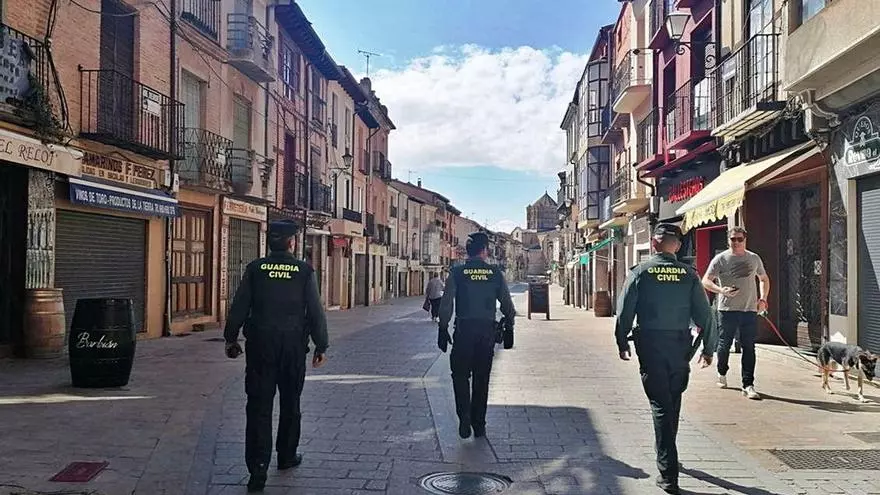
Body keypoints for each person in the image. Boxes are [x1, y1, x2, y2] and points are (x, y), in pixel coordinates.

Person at [223, 220, 329, 492]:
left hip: (260, 347)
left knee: (258, 407)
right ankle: (286, 456)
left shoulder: (255, 269)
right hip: (293, 347)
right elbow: (315, 311)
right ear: (292, 243)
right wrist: (321, 345)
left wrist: (231, 337)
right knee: (291, 403)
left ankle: (258, 470)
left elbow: (239, 305)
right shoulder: (304, 271)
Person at [615, 223, 718, 494]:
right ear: (678, 246)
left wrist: (622, 340)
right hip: (679, 347)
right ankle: (668, 454)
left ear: (654, 243)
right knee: (672, 401)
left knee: (661, 405)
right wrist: (709, 348)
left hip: (651, 346)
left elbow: (625, 311)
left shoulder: (640, 272)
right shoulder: (689, 275)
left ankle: (668, 474)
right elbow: (706, 316)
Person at [438, 231, 516, 439]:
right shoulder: (495, 273)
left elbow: (446, 303)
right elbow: (507, 304)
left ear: (468, 251)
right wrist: (510, 325)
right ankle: (479, 424)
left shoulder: (457, 273)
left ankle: (464, 415)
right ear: (485, 250)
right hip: (486, 333)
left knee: (460, 375)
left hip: (464, 332)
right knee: (482, 379)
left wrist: (443, 328)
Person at [701, 226, 770, 400]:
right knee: (724, 344)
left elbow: (763, 279)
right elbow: (706, 280)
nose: (736, 242)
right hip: (727, 310)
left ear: (745, 240)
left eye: (740, 239)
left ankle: (748, 384)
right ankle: (722, 372)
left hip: (749, 309)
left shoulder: (754, 258)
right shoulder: (721, 259)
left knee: (749, 347)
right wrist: (720, 290)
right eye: (733, 239)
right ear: (728, 240)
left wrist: (763, 299)